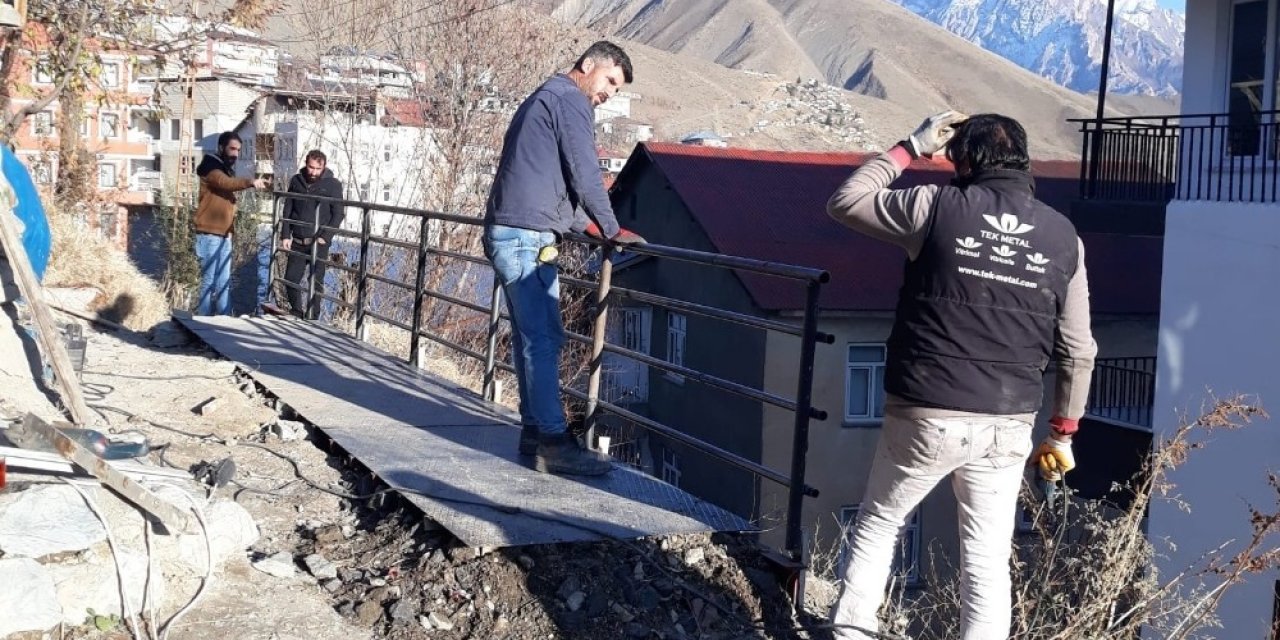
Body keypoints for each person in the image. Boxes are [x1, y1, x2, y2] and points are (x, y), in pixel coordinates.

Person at [824, 112, 1097, 639]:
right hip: (1009, 422)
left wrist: (909, 147)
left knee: (880, 524)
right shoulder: (1066, 239)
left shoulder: (933, 206)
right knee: (987, 560)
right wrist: (1063, 433)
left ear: (963, 160)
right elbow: (1078, 349)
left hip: (926, 412)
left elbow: (845, 202)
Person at [483, 40, 647, 476]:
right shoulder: (570, 101)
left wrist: (586, 227)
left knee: (531, 337)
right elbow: (585, 173)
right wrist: (611, 230)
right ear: (587, 65)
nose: (610, 92)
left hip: (516, 231)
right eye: (610, 80)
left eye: (617, 88)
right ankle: (553, 443)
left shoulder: (543, 98)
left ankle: (535, 431)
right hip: (524, 238)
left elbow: (554, 183)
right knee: (544, 339)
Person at [193, 131, 267, 315]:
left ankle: (224, 322)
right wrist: (250, 182)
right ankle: (204, 322)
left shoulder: (222, 167)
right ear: (221, 147)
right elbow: (225, 183)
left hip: (224, 234)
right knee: (209, 281)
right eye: (232, 148)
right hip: (209, 233)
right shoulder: (210, 167)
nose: (235, 154)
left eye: (238, 150)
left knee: (223, 283)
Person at [280, 149, 344, 319]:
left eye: (317, 168)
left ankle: (313, 317)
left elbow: (338, 213)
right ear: (306, 164)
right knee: (291, 279)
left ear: (324, 167)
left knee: (315, 281)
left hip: (319, 241)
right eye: (310, 167)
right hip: (298, 240)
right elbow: (288, 209)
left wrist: (326, 237)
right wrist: (285, 235)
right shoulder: (296, 181)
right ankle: (296, 311)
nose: (313, 172)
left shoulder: (333, 185)